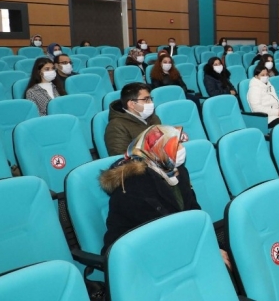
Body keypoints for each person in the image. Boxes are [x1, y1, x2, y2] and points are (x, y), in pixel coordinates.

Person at [99, 125, 231, 269]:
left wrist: (213, 245)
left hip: (175, 244)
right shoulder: (133, 186)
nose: (182, 149)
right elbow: (162, 234)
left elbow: (193, 211)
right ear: (159, 150)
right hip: (139, 259)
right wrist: (208, 251)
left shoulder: (178, 171)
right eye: (176, 145)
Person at [105, 83, 162, 156]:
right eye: (146, 99)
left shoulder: (153, 117)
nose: (151, 103)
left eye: (150, 99)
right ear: (132, 104)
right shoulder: (116, 126)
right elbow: (122, 158)